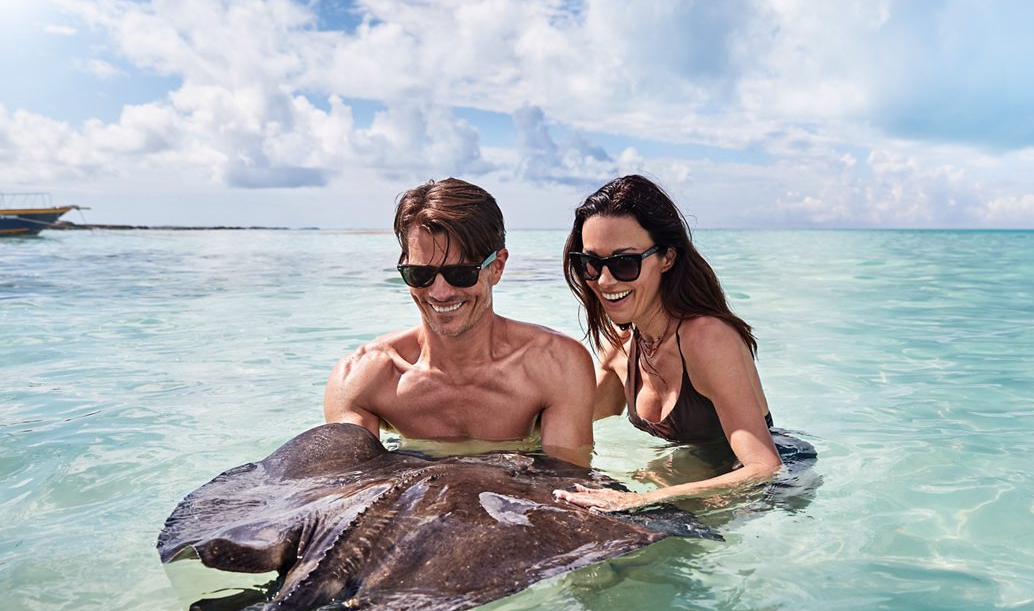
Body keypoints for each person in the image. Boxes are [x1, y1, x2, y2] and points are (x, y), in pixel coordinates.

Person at [325, 178, 595, 466]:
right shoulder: (362, 378)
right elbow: (351, 488)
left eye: (461, 273)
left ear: (497, 267)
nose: (440, 293)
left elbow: (568, 483)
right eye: (420, 274)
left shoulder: (556, 365)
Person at [553, 175, 782, 511]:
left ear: (667, 258)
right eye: (591, 264)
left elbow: (764, 468)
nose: (604, 280)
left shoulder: (707, 340)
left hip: (768, 486)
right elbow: (572, 425)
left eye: (624, 263)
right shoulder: (622, 348)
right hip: (693, 476)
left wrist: (642, 500)